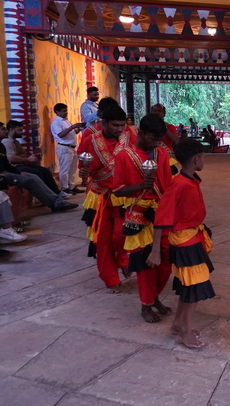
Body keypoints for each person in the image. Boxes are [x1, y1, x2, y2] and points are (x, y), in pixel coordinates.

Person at [112, 114, 173, 323]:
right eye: (153, 139)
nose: (156, 144)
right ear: (140, 133)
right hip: (138, 215)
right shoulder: (123, 156)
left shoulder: (161, 152)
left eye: (159, 140)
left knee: (166, 260)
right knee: (145, 264)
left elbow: (167, 183)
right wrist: (140, 186)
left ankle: (155, 297)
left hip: (161, 213)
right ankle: (146, 305)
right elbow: (117, 190)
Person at [154, 139, 214, 348]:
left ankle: (178, 324)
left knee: (189, 285)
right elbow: (161, 217)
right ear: (196, 159)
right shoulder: (179, 184)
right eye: (203, 157)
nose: (204, 161)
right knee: (193, 288)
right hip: (184, 242)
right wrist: (155, 250)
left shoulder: (190, 180)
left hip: (192, 238)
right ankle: (185, 331)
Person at [78, 105, 130, 292]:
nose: (119, 129)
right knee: (103, 241)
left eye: (122, 125)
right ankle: (111, 279)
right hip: (99, 196)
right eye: (115, 125)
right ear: (104, 123)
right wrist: (83, 172)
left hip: (123, 195)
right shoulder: (89, 141)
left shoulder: (129, 139)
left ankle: (123, 260)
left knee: (122, 234)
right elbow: (83, 167)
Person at [0, 123, 77, 212]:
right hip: (3, 175)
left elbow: (7, 163)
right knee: (30, 180)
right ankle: (53, 203)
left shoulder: (1, 146)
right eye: (2, 129)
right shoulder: (6, 142)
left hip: (7, 172)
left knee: (35, 176)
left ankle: (57, 199)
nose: (6, 131)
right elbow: (11, 158)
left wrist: (18, 172)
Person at [4, 120, 68, 197]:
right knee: (37, 173)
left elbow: (23, 154)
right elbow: (11, 158)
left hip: (21, 164)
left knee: (45, 171)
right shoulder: (7, 142)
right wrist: (27, 159)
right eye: (19, 130)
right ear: (11, 130)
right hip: (15, 167)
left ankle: (56, 193)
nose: (22, 132)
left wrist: (18, 157)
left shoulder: (16, 142)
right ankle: (47, 196)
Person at [51, 103, 86, 194]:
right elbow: (60, 135)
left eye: (66, 111)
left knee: (72, 169)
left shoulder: (66, 121)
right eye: (63, 111)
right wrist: (72, 127)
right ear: (57, 112)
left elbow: (72, 133)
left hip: (72, 147)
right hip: (64, 147)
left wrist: (79, 128)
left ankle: (71, 186)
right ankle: (64, 188)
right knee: (65, 169)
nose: (66, 113)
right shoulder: (56, 122)